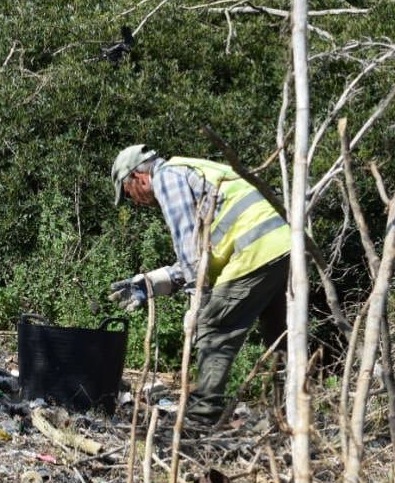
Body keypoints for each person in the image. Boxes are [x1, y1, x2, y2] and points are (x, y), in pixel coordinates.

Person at [108, 144, 290, 428]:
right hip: (282, 244)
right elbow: (203, 252)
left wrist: (199, 305)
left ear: (139, 177)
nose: (135, 202)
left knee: (213, 327)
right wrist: (151, 284)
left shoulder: (167, 178)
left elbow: (191, 252)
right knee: (279, 337)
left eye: (129, 193)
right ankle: (288, 415)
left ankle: (203, 416)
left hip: (253, 249)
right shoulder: (189, 169)